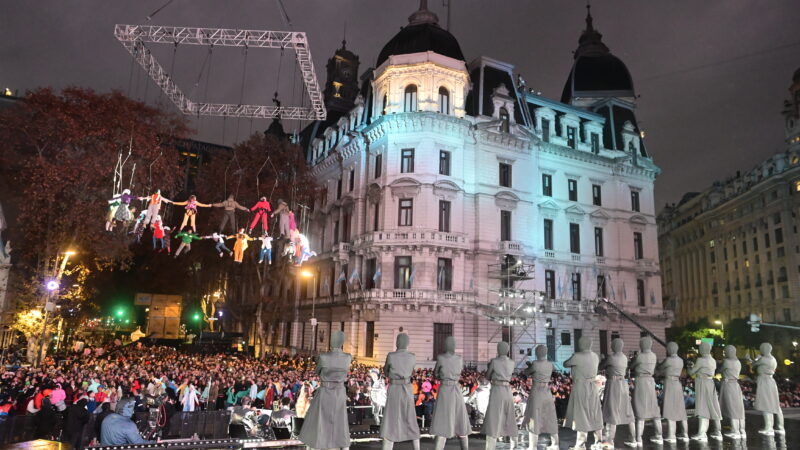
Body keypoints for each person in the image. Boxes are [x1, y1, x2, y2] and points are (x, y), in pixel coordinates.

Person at [298, 330, 352, 450]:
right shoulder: (348, 357)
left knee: (321, 420)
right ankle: (337, 444)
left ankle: (321, 444)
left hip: (325, 391)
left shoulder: (323, 357)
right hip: (339, 392)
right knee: (339, 420)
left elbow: (318, 371)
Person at [381, 333, 421, 450]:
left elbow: (386, 371)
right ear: (407, 343)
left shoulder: (391, 356)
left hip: (394, 387)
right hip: (407, 388)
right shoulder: (412, 356)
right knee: (410, 417)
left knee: (391, 417)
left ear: (397, 342)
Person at [430, 336, 470, 450]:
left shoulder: (441, 357)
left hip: (444, 390)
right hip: (456, 389)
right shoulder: (459, 358)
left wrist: (442, 377)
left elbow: (436, 374)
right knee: (460, 421)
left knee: (443, 421)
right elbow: (460, 370)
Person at [563, 336, 603, 450]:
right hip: (593, 386)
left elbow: (565, 363)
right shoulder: (595, 356)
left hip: (581, 386)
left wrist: (573, 356)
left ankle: (580, 444)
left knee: (581, 414)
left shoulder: (577, 356)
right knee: (595, 413)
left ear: (581, 345)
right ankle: (598, 441)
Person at [598, 338, 634, 448]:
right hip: (623, 384)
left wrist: (602, 359)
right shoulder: (624, 357)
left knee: (611, 411)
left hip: (613, 384)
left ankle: (609, 440)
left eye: (612, 345)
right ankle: (634, 438)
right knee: (627, 411)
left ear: (614, 346)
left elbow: (600, 367)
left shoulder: (611, 358)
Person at [482, 341, 517, 450]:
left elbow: (487, 376)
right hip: (508, 390)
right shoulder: (512, 362)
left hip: (497, 390)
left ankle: (490, 447)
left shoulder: (494, 361)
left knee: (493, 418)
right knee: (510, 417)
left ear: (498, 350)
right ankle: (514, 445)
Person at [523, 345, 559, 450]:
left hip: (537, 391)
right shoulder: (550, 364)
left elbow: (526, 372)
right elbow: (554, 370)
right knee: (551, 418)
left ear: (537, 353)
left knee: (534, 417)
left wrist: (529, 366)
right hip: (547, 392)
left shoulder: (535, 363)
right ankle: (555, 444)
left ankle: (532, 446)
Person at [629, 337, 663, 445]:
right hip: (650, 381)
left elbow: (631, 366)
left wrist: (635, 358)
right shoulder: (654, 356)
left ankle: (639, 438)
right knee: (654, 408)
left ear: (642, 345)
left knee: (640, 408)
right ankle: (659, 436)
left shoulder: (640, 356)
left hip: (641, 381)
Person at [688, 341, 722, 442]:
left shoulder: (701, 360)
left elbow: (691, 373)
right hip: (710, 383)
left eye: (700, 348)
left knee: (703, 408)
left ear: (703, 349)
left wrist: (689, 366)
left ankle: (702, 433)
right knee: (713, 407)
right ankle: (718, 431)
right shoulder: (713, 360)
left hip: (702, 384)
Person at [655, 342, 689, 443]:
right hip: (678, 384)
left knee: (670, 409)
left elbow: (659, 369)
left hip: (669, 384)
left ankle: (671, 435)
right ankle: (685, 434)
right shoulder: (681, 360)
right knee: (681, 409)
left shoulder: (668, 360)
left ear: (669, 349)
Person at [752, 342, 785, 435]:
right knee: (775, 404)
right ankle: (780, 427)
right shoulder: (773, 359)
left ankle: (769, 428)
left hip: (764, 381)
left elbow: (754, 364)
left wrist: (755, 358)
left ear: (764, 349)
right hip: (771, 381)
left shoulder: (763, 359)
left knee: (765, 404)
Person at [719, 345, 746, 439]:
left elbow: (719, 370)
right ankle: (741, 430)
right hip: (736, 385)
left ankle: (735, 431)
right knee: (738, 408)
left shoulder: (726, 362)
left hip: (728, 385)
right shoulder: (738, 362)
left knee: (731, 408)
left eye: (725, 351)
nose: (724, 353)